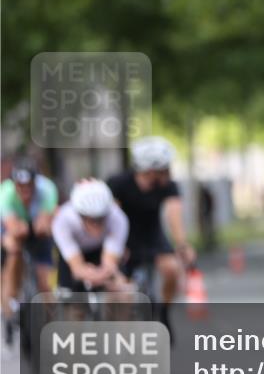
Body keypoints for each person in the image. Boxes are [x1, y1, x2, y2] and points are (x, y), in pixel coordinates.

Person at [107, 136, 196, 331]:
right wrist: (115, 247)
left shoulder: (168, 185)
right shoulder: (119, 183)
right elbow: (111, 218)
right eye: (165, 169)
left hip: (152, 234)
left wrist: (182, 245)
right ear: (150, 170)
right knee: (121, 290)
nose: (169, 172)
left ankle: (163, 311)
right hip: (124, 235)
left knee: (172, 269)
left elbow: (174, 214)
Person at [1, 158, 58, 343]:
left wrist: (37, 226)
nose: (25, 191)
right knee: (14, 249)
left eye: (29, 186)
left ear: (35, 183)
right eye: (20, 186)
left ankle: (50, 322)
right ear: (14, 184)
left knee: (44, 277)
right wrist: (20, 229)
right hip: (11, 227)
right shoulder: (6, 193)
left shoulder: (47, 189)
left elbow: (43, 224)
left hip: (37, 229)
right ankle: (9, 304)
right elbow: (12, 227)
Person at [52, 179, 132, 293]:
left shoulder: (118, 218)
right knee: (71, 301)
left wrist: (109, 277)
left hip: (101, 249)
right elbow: (77, 269)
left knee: (119, 290)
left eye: (100, 218)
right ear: (80, 215)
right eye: (90, 219)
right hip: (74, 254)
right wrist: (88, 274)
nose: (96, 224)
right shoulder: (63, 220)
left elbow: (109, 264)